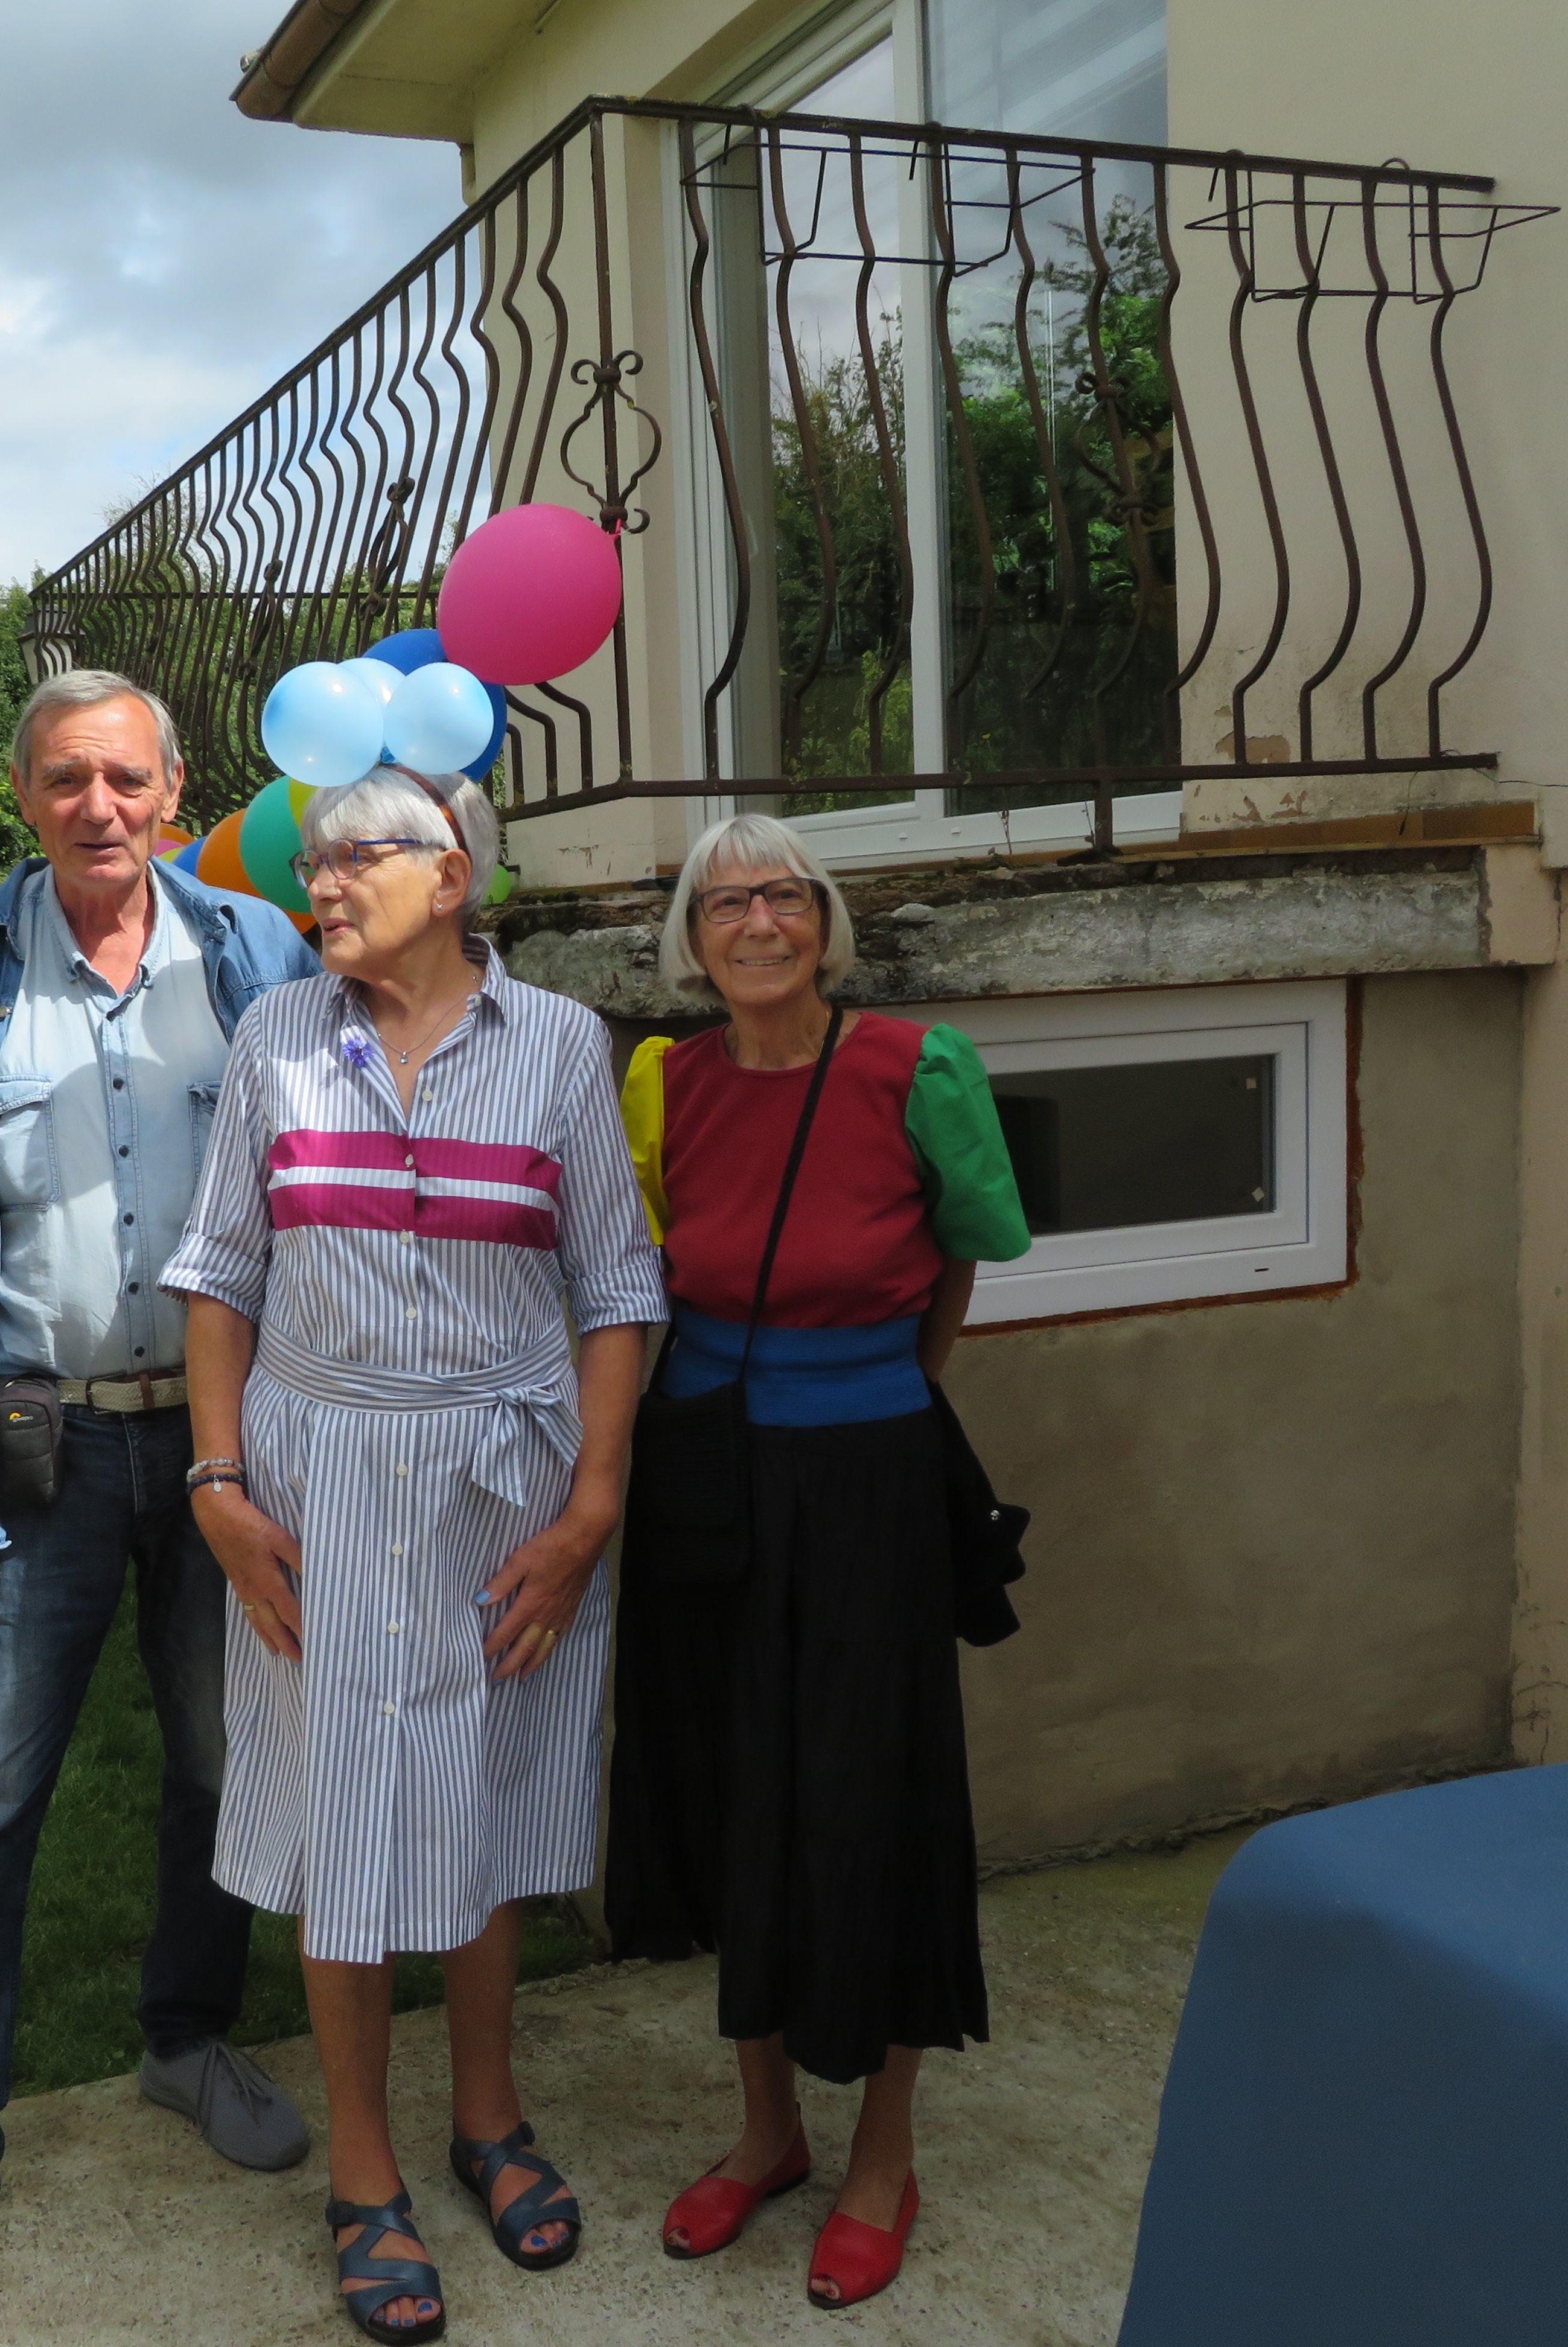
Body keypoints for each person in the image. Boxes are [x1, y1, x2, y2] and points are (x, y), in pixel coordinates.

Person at [0, 670, 325, 2337]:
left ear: (176, 793)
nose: (96, 805)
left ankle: (188, 2040)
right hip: (35, 1446)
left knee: (221, 1761)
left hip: (226, 1443)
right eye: (63, 778)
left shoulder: (260, 958)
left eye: (124, 777)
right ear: (25, 796)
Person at [164, 765, 666, 2345]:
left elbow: (617, 1287)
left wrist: (592, 1507)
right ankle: (365, 2169)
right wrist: (216, 1482)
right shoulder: (277, 1038)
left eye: (352, 857)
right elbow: (220, 1270)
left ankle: (489, 2117)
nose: (318, 881)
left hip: (506, 1491)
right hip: (313, 1488)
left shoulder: (561, 1045)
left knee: (487, 1795)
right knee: (345, 1817)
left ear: (451, 877)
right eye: (309, 861)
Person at [606, 812, 1030, 2313]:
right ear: (692, 940)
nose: (758, 923)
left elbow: (966, 1253)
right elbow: (649, 1269)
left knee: (875, 1798)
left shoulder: (921, 1069)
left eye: (783, 896)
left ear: (825, 922)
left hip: (869, 1480)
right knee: (735, 1790)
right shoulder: (664, 1082)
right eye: (724, 904)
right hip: (710, 1481)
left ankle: (883, 2158)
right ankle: (769, 2131)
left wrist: (880, 1397)